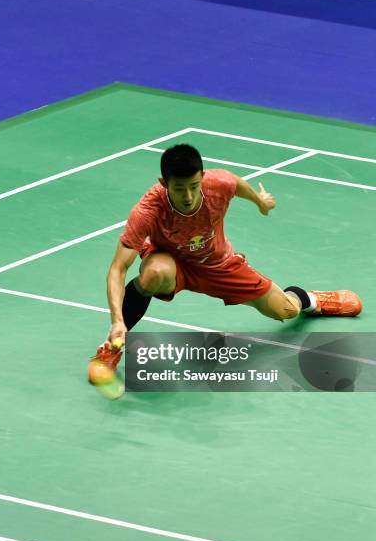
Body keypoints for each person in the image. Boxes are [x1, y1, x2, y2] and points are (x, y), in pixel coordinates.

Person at [88, 144, 362, 386]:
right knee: (153, 275)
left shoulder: (218, 184)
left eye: (194, 187)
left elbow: (236, 183)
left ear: (203, 178)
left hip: (218, 264)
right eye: (179, 188)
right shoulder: (147, 211)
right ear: (164, 183)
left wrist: (260, 202)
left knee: (286, 311)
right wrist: (116, 321)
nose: (187, 196)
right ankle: (112, 347)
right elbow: (118, 269)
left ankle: (311, 299)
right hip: (171, 261)